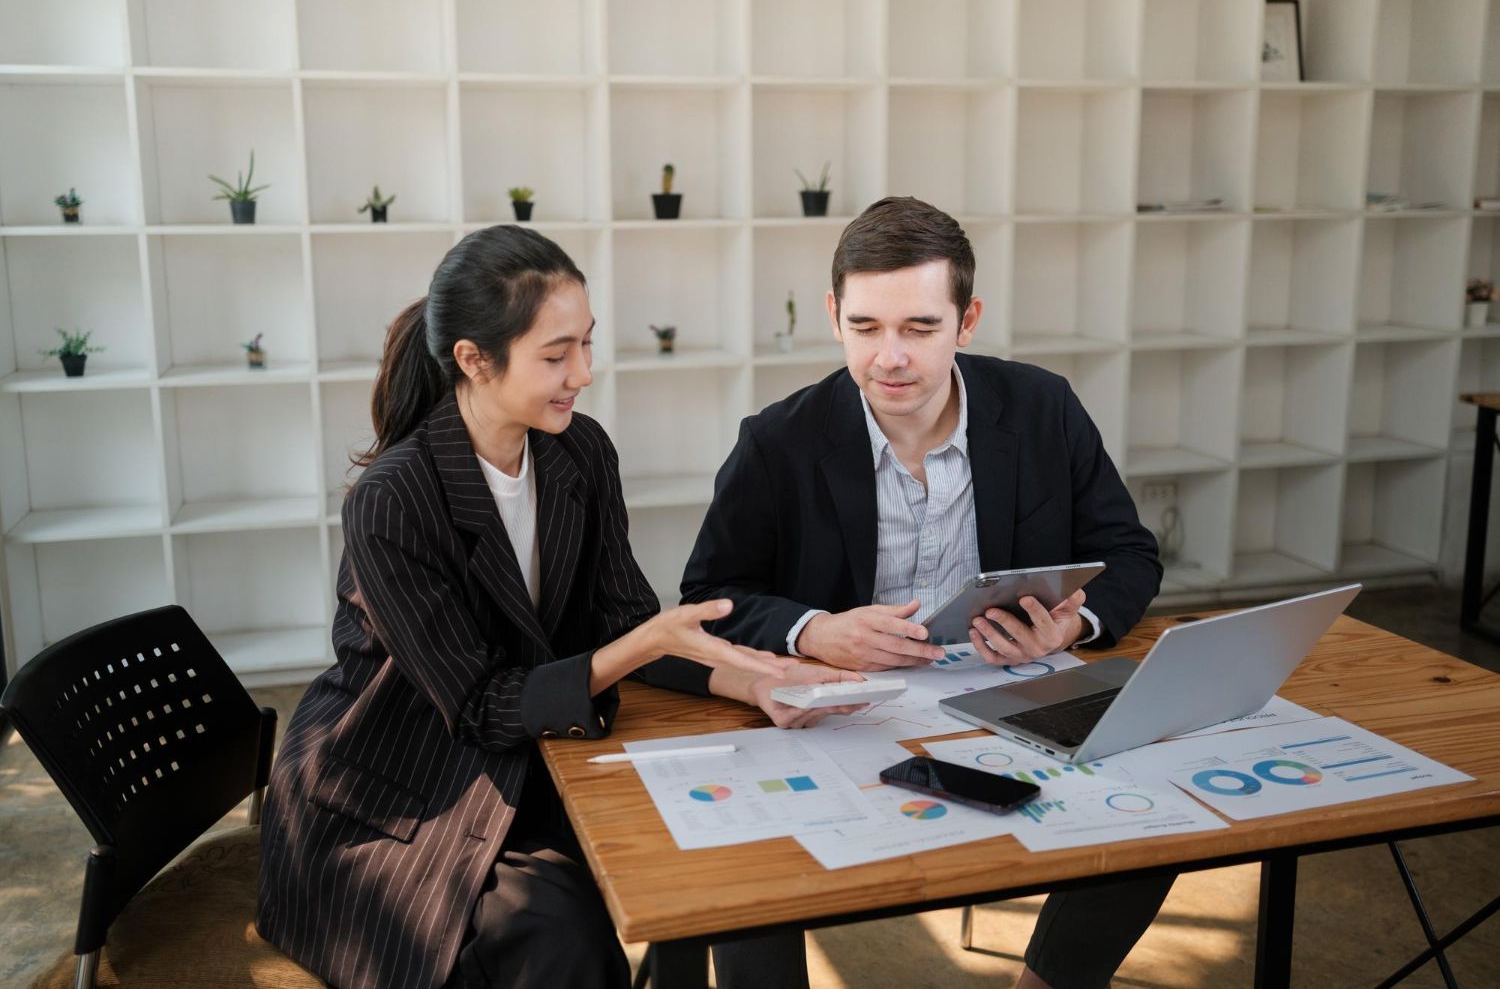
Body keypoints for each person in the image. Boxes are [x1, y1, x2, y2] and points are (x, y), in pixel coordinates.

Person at [257, 225, 863, 989]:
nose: (582, 372)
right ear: (474, 360)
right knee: (559, 928)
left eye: (586, 343)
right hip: (406, 787)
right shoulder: (394, 500)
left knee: (732, 843)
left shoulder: (578, 451)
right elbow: (479, 705)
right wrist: (641, 648)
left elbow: (622, 621)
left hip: (540, 746)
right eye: (555, 355)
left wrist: (755, 682)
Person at [681, 197, 1169, 989]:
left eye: (919, 328)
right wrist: (813, 632)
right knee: (752, 865)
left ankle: (1051, 981)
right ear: (834, 315)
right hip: (842, 703)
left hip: (1012, 693)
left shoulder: (1042, 408)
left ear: (966, 320)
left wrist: (1071, 625)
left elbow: (1128, 553)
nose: (889, 358)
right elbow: (709, 593)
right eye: (866, 327)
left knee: (1157, 807)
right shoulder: (778, 440)